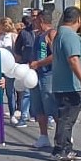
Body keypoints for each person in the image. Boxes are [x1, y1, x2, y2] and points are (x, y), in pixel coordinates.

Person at [48, 6, 81, 161]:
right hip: (71, 85)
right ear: (78, 20)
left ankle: (65, 147)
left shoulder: (60, 35)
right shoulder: (70, 36)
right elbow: (73, 59)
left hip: (63, 84)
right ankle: (60, 149)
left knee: (64, 118)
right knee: (67, 119)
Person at [27, 10, 57, 150]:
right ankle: (43, 136)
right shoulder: (37, 35)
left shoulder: (51, 34)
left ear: (41, 20)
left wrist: (39, 64)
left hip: (48, 75)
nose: (34, 22)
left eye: (36, 20)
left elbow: (55, 55)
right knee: (38, 107)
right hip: (35, 76)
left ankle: (62, 135)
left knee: (52, 105)